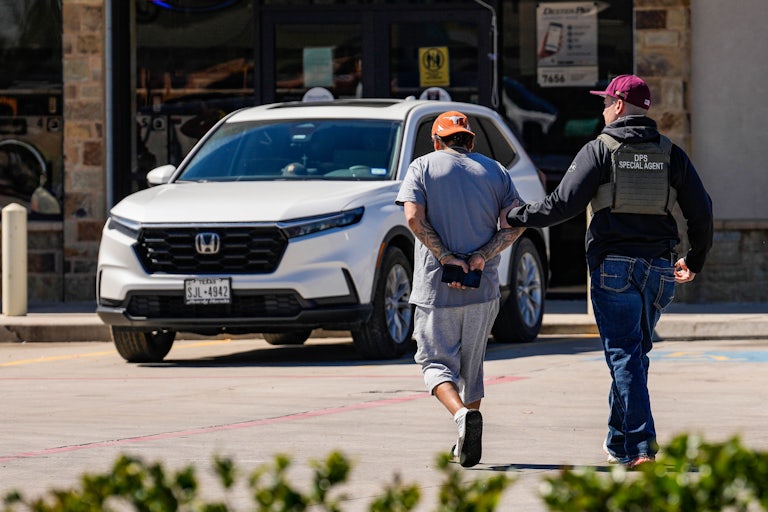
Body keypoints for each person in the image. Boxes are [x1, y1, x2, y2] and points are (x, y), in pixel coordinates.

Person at [501, 75, 713, 469]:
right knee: (634, 354)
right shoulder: (670, 153)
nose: (601, 110)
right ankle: (619, 441)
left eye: (604, 103)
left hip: (613, 267)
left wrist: (515, 216)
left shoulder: (599, 149)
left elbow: (561, 205)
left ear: (617, 106)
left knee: (625, 355)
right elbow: (702, 211)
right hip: (659, 269)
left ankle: (640, 447)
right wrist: (695, 259)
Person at [396, 111, 525, 467]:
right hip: (482, 288)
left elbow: (412, 218)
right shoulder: (497, 171)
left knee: (435, 363)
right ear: (470, 140)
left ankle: (460, 418)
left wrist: (447, 257)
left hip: (437, 288)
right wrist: (481, 257)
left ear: (437, 141)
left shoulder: (422, 167)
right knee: (473, 366)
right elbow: (516, 224)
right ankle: (464, 439)